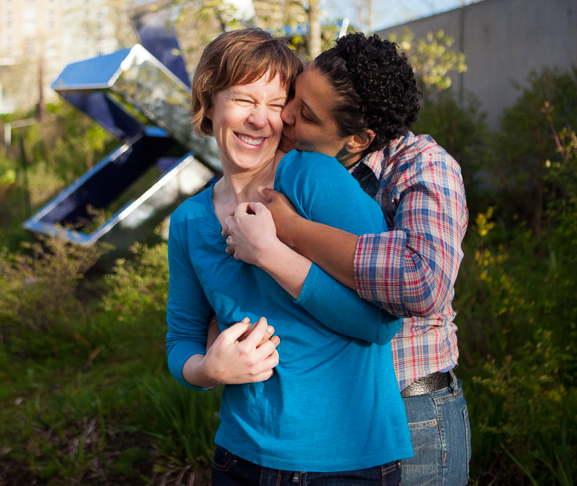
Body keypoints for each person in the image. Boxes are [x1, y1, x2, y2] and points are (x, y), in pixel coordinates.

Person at [166, 28, 412, 485]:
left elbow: (382, 324)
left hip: (347, 463)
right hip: (240, 460)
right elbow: (181, 338)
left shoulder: (313, 178)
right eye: (243, 100)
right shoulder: (188, 221)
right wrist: (208, 369)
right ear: (210, 102)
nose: (260, 120)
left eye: (277, 105)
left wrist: (271, 254)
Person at [224, 32, 471, 486]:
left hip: (411, 407)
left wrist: (294, 231)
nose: (288, 117)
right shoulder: (300, 163)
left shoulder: (423, 168)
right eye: (294, 98)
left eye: (307, 116)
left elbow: (422, 280)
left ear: (359, 137)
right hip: (327, 413)